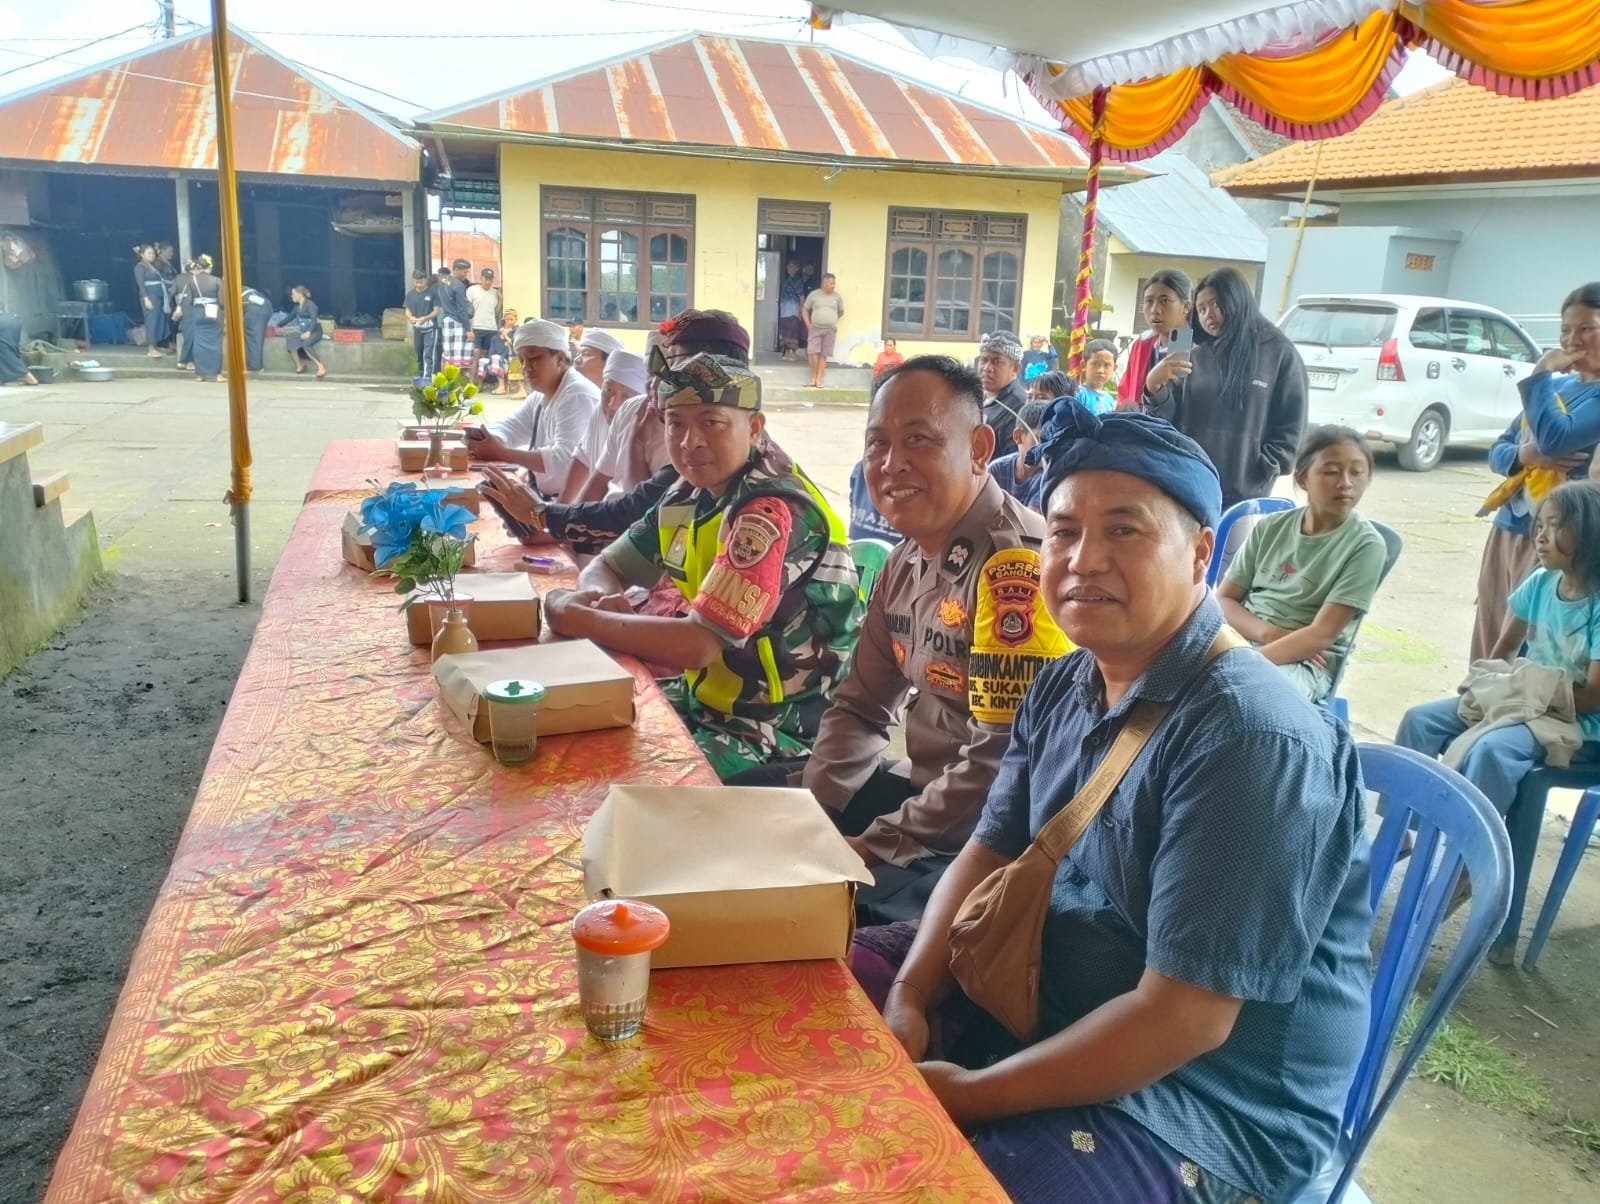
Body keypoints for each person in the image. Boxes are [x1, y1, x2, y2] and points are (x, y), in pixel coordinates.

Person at [855, 398, 1372, 1204]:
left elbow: (1185, 1020)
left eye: (1124, 531)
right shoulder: (1067, 680)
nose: (1083, 560)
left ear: (1200, 553)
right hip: (1046, 992)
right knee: (822, 989)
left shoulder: (1251, 739)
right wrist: (912, 996)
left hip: (1201, 1102)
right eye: (1064, 531)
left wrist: (969, 1096)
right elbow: (989, 851)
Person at [734, 356, 1069, 923]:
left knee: (819, 916)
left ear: (980, 448)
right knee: (743, 806)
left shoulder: (1015, 570)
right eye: (877, 444)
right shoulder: (905, 560)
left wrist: (869, 845)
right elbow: (861, 707)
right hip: (924, 797)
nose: (892, 464)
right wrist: (813, 815)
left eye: (919, 439)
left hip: (992, 840)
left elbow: (999, 767)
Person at [538, 351, 863, 779]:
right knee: (568, 732)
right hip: (707, 699)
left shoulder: (770, 512)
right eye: (676, 424)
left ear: (754, 427)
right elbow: (608, 564)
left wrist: (580, 617)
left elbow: (698, 644)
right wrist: (598, 597)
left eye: (711, 422)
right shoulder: (690, 492)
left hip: (782, 726)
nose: (690, 441)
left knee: (636, 784)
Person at [1398, 480, 1600, 815]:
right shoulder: (1541, 582)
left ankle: (1474, 847)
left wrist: (1530, 694)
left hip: (1582, 726)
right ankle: (1403, 827)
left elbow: (1595, 697)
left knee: (1491, 748)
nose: (1541, 536)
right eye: (1540, 525)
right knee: (1419, 720)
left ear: (1590, 532)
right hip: (1526, 703)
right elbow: (1506, 647)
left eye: (1556, 526)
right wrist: (1498, 689)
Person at [481, 310, 754, 557]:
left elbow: (634, 511)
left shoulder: (760, 504)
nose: (656, 383)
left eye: (712, 422)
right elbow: (637, 537)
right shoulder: (647, 415)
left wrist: (544, 515)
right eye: (654, 369)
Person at [1468, 282, 1600, 663]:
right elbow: (1499, 451)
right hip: (1510, 524)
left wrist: (1540, 372)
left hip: (1559, 534)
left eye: (1587, 329)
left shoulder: (1557, 387)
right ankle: (1478, 694)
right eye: (1565, 330)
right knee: (1489, 630)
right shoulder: (1557, 387)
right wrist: (1525, 454)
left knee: (1526, 638)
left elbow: (1556, 437)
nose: (1573, 341)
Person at [1217, 426, 1387, 703]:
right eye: (1331, 471)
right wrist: (1268, 634)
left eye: (1357, 472)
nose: (1346, 483)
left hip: (1304, 661)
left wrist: (1245, 664)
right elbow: (1224, 600)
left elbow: (1322, 634)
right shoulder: (1270, 528)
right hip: (1242, 638)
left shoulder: (1366, 546)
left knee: (1246, 696)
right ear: (1303, 478)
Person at [1143, 266, 1308, 509]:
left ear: (1238, 300)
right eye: (1202, 309)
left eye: (1217, 304)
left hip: (1244, 495)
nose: (1209, 314)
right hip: (1190, 485)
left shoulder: (1278, 353)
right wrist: (1153, 386)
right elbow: (1165, 422)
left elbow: (1292, 425)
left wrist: (1264, 467)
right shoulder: (1192, 353)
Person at [467, 318, 599, 498]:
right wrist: (483, 439)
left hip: (574, 505)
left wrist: (503, 453)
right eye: (522, 360)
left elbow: (566, 460)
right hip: (546, 497)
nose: (526, 368)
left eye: (534, 358)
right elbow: (512, 427)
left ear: (560, 359)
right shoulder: (541, 395)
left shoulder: (577, 395)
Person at [560, 349, 653, 505]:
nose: (613, 404)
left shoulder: (645, 426)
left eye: (627, 396)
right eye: (608, 391)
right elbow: (583, 458)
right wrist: (559, 510)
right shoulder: (599, 411)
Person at [1116, 269, 1191, 409]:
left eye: (1165, 301)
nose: (1155, 310)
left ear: (1186, 307)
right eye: (1149, 301)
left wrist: (1153, 385)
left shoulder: (1193, 347)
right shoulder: (1142, 344)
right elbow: (1126, 392)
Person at [977, 330, 1028, 460]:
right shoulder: (975, 395)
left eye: (996, 362)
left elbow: (1012, 461)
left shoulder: (1018, 406)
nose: (987, 368)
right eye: (984, 360)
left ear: (1015, 368)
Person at [987, 400, 1048, 508]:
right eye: (1040, 439)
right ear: (1018, 436)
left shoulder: (1046, 476)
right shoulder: (996, 469)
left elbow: (1033, 516)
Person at [183, 254, 224, 383]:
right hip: (214, 313)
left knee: (199, 343)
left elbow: (188, 301)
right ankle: (218, 375)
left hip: (198, 313)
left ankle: (200, 375)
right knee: (216, 343)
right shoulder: (216, 280)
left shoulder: (192, 280)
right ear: (210, 266)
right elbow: (222, 302)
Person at [803, 273, 844, 388]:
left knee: (824, 354)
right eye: (831, 283)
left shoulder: (837, 297)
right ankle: (813, 376)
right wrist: (808, 324)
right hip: (815, 328)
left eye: (834, 283)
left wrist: (832, 319)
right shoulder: (814, 295)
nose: (833, 286)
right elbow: (805, 309)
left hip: (830, 330)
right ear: (825, 283)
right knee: (812, 352)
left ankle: (818, 379)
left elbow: (841, 312)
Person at [437, 259, 475, 376]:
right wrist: (468, 329)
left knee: (447, 354)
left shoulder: (443, 280)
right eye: (465, 272)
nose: (466, 275)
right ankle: (457, 381)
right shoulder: (458, 285)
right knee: (459, 356)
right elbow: (462, 309)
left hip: (446, 320)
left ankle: (444, 381)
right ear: (456, 270)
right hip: (457, 322)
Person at [467, 267, 503, 380]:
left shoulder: (494, 293)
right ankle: (471, 382)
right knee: (476, 354)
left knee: (485, 356)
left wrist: (500, 300)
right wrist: (469, 328)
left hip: (491, 328)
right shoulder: (472, 290)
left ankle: (482, 382)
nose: (488, 282)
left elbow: (496, 312)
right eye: (486, 279)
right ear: (481, 278)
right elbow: (467, 310)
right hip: (476, 326)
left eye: (490, 279)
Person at [132, 244, 168, 358]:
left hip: (158, 296)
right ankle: (151, 348)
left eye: (153, 253)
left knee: (159, 321)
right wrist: (146, 299)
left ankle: (156, 346)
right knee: (151, 321)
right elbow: (141, 285)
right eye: (149, 253)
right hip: (150, 297)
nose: (152, 255)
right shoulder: (140, 267)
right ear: (142, 254)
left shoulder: (152, 266)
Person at [284, 285, 327, 378]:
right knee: (290, 338)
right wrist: (277, 326)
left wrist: (308, 332)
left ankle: (321, 367)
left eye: (293, 294)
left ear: (300, 294)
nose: (291, 296)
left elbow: (314, 320)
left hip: (315, 331)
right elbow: (289, 318)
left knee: (306, 344)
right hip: (303, 330)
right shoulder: (297, 307)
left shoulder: (310, 305)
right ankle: (299, 366)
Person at [404, 270, 440, 377]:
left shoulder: (433, 293)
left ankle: (428, 376)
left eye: (421, 282)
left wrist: (426, 318)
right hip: (418, 328)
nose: (419, 285)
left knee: (428, 352)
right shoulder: (410, 294)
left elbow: (436, 311)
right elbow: (407, 310)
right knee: (418, 350)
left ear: (426, 280)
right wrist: (410, 317)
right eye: (417, 282)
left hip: (430, 328)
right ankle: (421, 371)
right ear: (413, 281)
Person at [1078, 338, 1119, 414]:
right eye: (1094, 364)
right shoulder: (1078, 395)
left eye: (1106, 365)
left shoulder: (1110, 400)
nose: (1100, 370)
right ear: (1083, 365)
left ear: (1114, 368)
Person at [0, 309, 39, 386]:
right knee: (9, 349)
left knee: (5, 351)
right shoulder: (10, 317)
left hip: (3, 324)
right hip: (12, 321)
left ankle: (30, 378)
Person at [778, 259, 807, 360]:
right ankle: (786, 353)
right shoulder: (787, 280)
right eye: (788, 266)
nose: (789, 268)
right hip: (784, 310)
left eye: (792, 266)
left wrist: (801, 310)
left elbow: (802, 296)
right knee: (785, 331)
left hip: (793, 309)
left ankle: (792, 353)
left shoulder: (798, 280)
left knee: (793, 331)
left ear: (797, 268)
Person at [240, 284, 271, 373]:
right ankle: (255, 366)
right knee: (256, 339)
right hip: (266, 306)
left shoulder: (231, 291)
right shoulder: (246, 289)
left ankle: (254, 367)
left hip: (254, 310)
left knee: (252, 339)